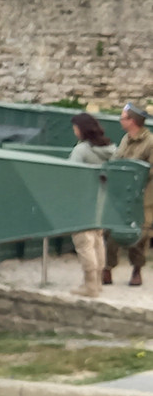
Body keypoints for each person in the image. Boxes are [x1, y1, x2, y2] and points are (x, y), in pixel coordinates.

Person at [104, 102, 153, 287]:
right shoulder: (126, 139)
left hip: (142, 196)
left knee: (140, 233)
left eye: (123, 117)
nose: (120, 121)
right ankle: (107, 268)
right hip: (121, 195)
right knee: (111, 229)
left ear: (132, 121)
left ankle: (137, 270)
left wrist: (133, 174)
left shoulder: (150, 142)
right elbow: (117, 159)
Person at [67, 114, 115, 297]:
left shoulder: (82, 150)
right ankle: (98, 282)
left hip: (82, 200)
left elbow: (71, 174)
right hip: (102, 200)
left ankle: (90, 285)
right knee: (97, 240)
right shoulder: (110, 149)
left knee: (83, 242)